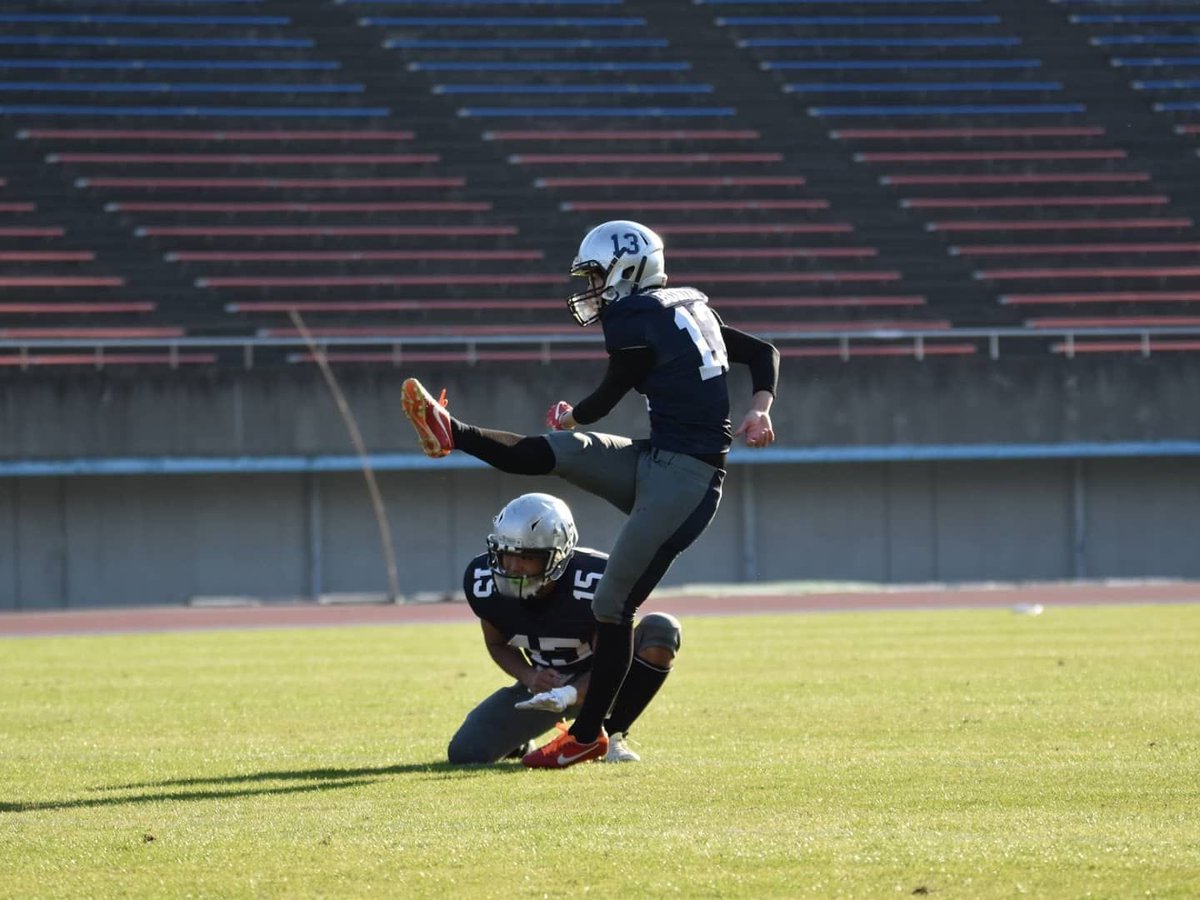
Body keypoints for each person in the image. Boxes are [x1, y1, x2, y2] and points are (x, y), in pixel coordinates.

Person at [402, 219, 779, 769]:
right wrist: (760, 407)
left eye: (598, 276)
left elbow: (609, 393)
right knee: (562, 450)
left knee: (611, 605)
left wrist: (575, 413)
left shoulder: (634, 314)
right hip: (657, 460)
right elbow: (763, 351)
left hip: (686, 481)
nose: (593, 289)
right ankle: (451, 433)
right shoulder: (687, 306)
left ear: (629, 268)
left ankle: (587, 735)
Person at [447, 492, 682, 765]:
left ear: (558, 555)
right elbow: (497, 643)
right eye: (504, 554)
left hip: (605, 684)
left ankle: (610, 735)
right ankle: (521, 742)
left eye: (526, 557)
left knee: (660, 630)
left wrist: (569, 693)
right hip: (544, 690)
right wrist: (530, 676)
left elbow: (612, 661)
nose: (511, 567)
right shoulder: (483, 582)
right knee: (466, 753)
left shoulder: (596, 581)